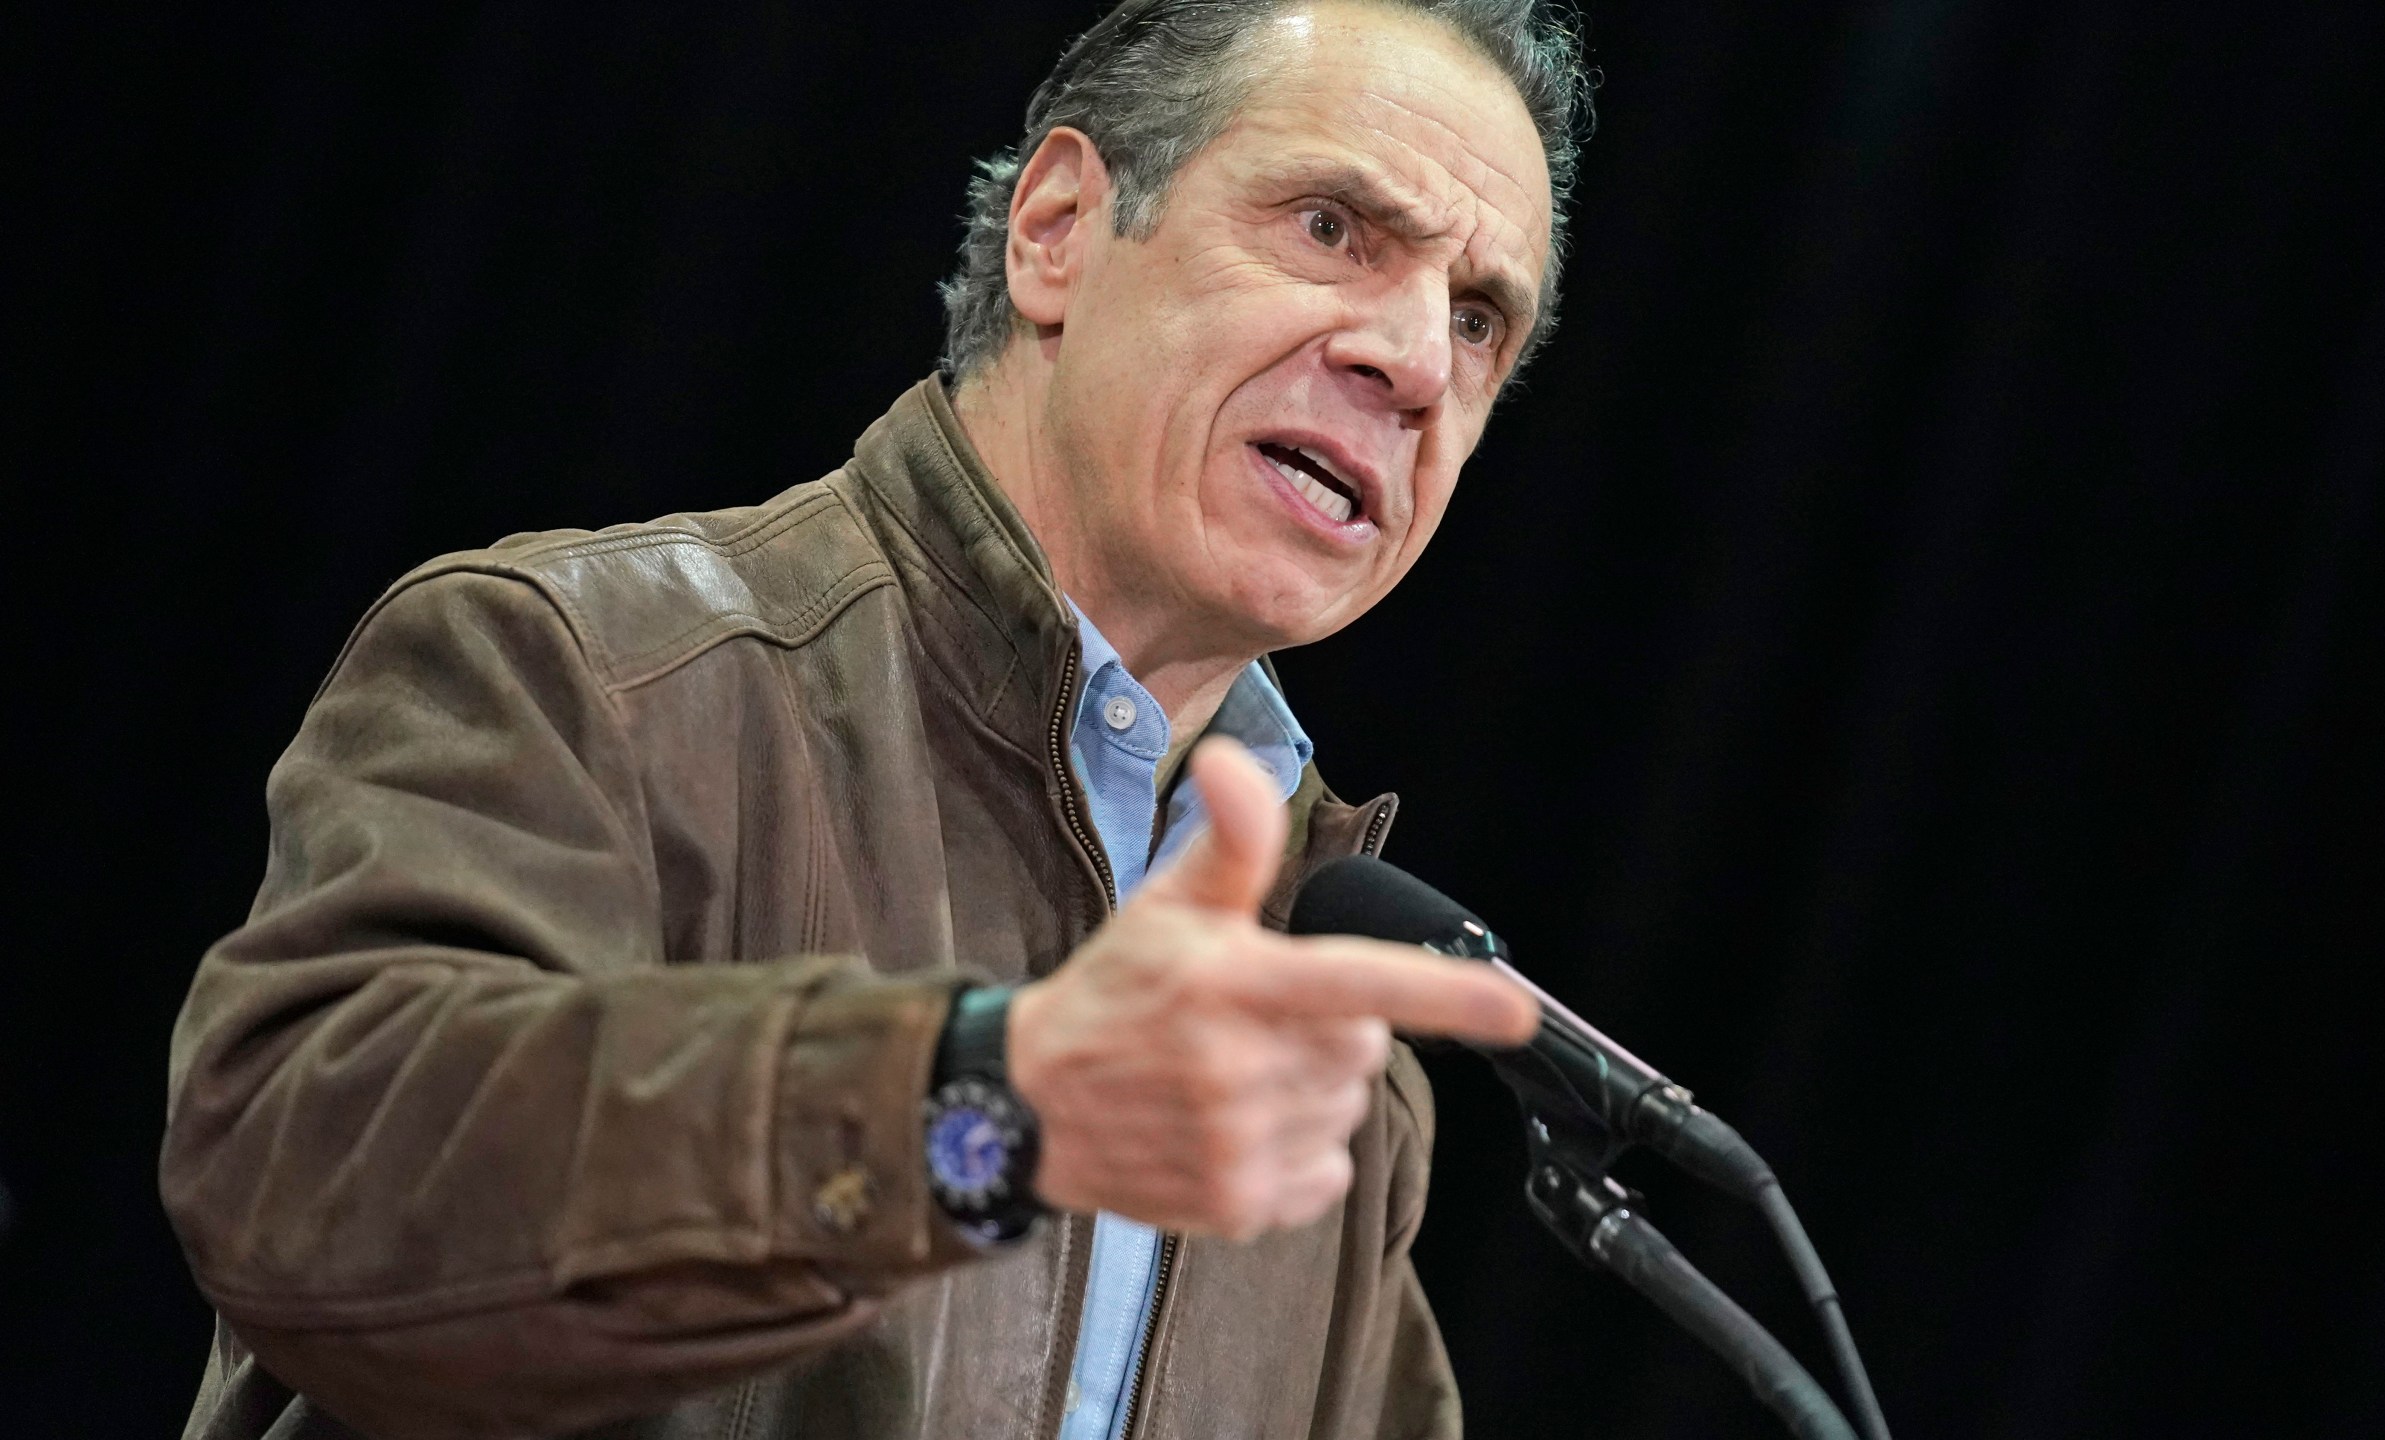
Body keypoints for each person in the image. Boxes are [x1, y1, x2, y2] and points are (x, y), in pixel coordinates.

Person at [160, 1, 1594, 1436]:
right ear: (1058, 230)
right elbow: (311, 1192)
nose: (1413, 359)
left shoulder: (1323, 1055)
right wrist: (975, 1109)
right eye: (1334, 229)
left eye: (1479, 320)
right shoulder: (596, 672)